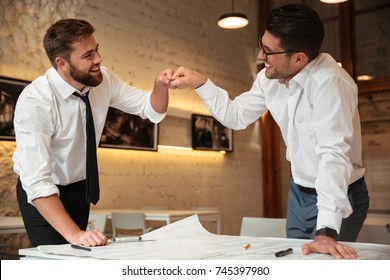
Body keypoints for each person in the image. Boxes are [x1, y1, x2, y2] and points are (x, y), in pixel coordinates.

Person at [171, 4, 369, 259]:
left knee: (324, 267)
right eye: (261, 46)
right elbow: (236, 115)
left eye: (269, 52)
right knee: (293, 264)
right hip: (299, 193)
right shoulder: (269, 78)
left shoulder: (331, 83)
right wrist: (200, 83)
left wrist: (327, 230)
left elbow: (333, 156)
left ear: (299, 58)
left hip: (342, 193)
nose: (260, 56)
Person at [13, 18, 174, 247]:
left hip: (80, 188)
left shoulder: (103, 80)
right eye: (88, 55)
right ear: (62, 63)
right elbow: (37, 181)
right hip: (43, 193)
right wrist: (76, 234)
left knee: (81, 256)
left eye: (96, 50)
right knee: (54, 263)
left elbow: (150, 109)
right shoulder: (36, 101)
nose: (98, 59)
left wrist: (160, 87)